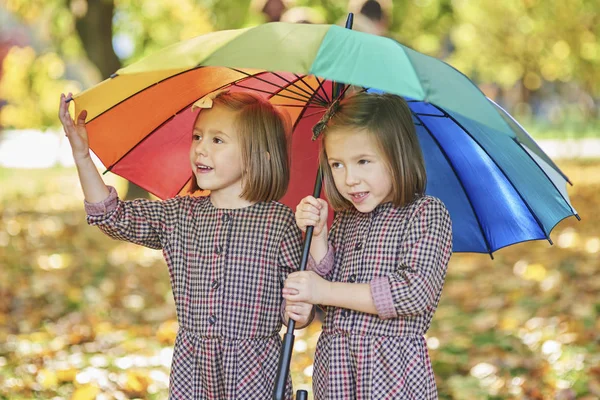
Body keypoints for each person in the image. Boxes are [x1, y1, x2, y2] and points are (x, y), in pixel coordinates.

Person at [59, 90, 313, 399]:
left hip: (256, 371)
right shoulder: (180, 214)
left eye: (217, 140)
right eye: (197, 137)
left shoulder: (280, 223)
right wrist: (83, 157)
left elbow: (296, 302)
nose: (201, 149)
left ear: (258, 155)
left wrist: (300, 312)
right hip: (193, 369)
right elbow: (113, 217)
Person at [284, 92, 452, 399]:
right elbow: (327, 290)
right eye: (337, 164)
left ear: (397, 156)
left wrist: (323, 289)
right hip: (335, 367)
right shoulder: (348, 219)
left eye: (363, 161)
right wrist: (319, 236)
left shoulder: (425, 213)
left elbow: (412, 293)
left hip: (391, 370)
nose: (349, 179)